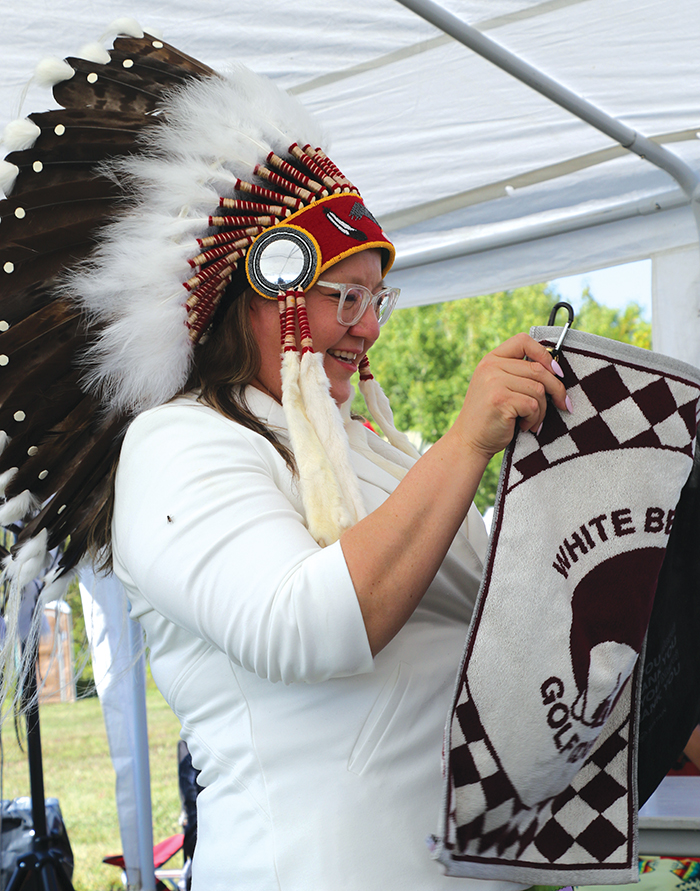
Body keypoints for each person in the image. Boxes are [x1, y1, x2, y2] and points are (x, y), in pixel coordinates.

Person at [0, 24, 568, 891]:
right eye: (346, 294)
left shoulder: (369, 452)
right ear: (262, 291)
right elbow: (306, 626)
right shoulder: (178, 442)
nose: (371, 324)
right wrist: (464, 445)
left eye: (381, 297)